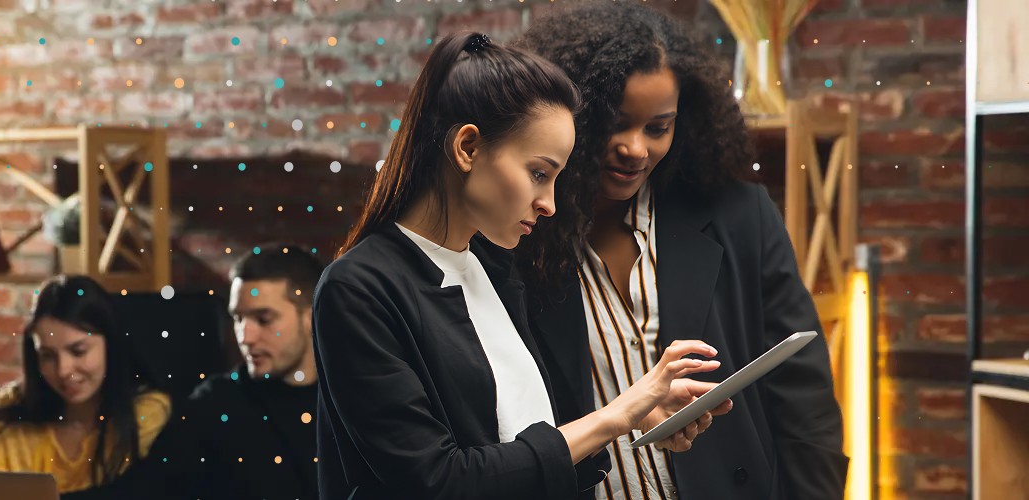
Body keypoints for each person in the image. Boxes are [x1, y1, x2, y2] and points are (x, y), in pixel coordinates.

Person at [312, 32, 731, 500]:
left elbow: (522, 439)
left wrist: (635, 418)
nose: (549, 203)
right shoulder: (358, 289)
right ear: (467, 148)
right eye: (539, 173)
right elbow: (440, 481)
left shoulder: (495, 269)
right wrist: (617, 415)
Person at [516, 4, 849, 499]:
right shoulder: (519, 235)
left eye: (658, 127)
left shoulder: (739, 215)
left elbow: (804, 401)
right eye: (615, 122)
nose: (635, 148)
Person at [0, 275, 171, 496]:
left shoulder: (146, 410)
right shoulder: (12, 406)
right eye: (48, 356)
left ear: (111, 345)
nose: (62, 370)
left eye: (78, 351)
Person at [176, 243, 324, 499]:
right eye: (238, 319)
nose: (245, 337)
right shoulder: (216, 404)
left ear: (312, 317)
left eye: (263, 319)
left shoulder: (355, 404)